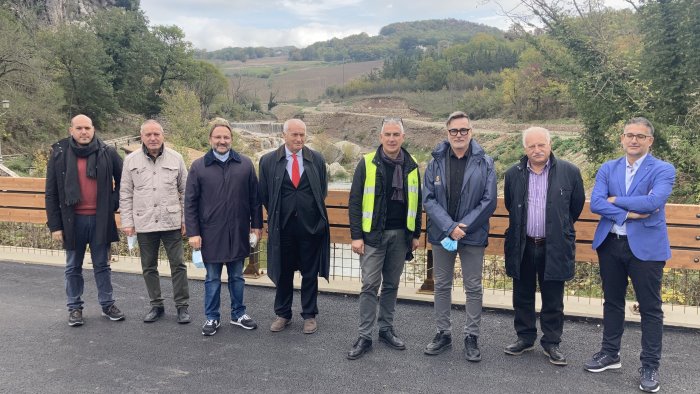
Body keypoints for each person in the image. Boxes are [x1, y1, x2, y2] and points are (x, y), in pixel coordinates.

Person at [585, 117, 675, 393]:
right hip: (610, 244)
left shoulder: (663, 169)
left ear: (650, 141)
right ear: (622, 139)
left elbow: (653, 202)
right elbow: (596, 203)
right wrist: (627, 212)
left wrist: (615, 200)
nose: (633, 140)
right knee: (612, 302)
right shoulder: (608, 168)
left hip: (646, 249)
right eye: (629, 135)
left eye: (640, 136)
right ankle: (610, 353)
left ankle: (650, 365)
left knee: (650, 308)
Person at [503, 127, 585, 366]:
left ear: (550, 145)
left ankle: (551, 342)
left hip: (554, 245)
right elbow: (511, 204)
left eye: (541, 145)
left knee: (553, 298)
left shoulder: (569, 172)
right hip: (524, 244)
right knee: (522, 295)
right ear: (524, 148)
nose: (537, 150)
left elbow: (575, 207)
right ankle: (525, 337)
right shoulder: (513, 173)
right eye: (531, 146)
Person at [422, 111, 496, 362]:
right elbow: (428, 199)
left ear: (471, 132)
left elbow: (489, 201)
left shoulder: (485, 162)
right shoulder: (435, 162)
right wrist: (449, 227)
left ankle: (471, 336)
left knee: (473, 287)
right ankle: (443, 333)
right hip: (442, 233)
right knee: (442, 285)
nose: (459, 135)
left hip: (472, 235)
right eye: (454, 130)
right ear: (448, 133)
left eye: (464, 130)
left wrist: (462, 226)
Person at [346, 117, 422, 360]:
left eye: (395, 134)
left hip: (401, 236)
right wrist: (356, 236)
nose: (391, 139)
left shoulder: (411, 164)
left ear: (403, 137)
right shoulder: (367, 163)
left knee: (391, 284)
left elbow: (417, 202)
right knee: (369, 285)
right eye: (387, 134)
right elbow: (355, 201)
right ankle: (365, 336)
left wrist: (416, 234)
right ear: (380, 137)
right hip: (372, 237)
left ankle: (386, 329)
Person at [184, 118, 263, 336]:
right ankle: (212, 317)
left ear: (231, 139)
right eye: (218, 137)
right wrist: (193, 233)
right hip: (210, 233)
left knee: (237, 277)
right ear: (210, 139)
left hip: (238, 232)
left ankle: (238, 314)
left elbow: (255, 199)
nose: (222, 141)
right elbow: (190, 202)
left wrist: (256, 225)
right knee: (212, 279)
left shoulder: (245, 164)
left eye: (226, 137)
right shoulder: (199, 167)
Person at [45, 114, 125, 326]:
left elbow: (124, 181)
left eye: (87, 128)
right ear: (71, 130)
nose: (84, 132)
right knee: (72, 267)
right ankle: (74, 308)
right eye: (79, 128)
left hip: (100, 219)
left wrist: (111, 203)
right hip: (73, 221)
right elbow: (51, 193)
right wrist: (55, 226)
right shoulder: (59, 153)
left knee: (102, 265)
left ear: (93, 129)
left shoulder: (107, 152)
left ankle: (107, 304)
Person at [258, 118, 330, 335]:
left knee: (310, 273)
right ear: (284, 135)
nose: (299, 139)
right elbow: (265, 194)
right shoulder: (269, 161)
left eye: (302, 135)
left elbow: (322, 190)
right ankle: (283, 314)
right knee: (283, 272)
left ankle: (309, 315)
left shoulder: (316, 159)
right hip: (283, 228)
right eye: (294, 135)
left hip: (310, 227)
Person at [120, 120, 191, 324]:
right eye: (148, 134)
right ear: (141, 137)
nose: (153, 138)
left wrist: (186, 219)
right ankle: (156, 305)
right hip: (144, 222)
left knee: (178, 265)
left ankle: (182, 307)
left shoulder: (176, 158)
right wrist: (127, 222)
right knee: (148, 267)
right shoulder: (131, 161)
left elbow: (186, 191)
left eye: (156, 134)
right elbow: (125, 193)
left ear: (163, 136)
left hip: (171, 221)